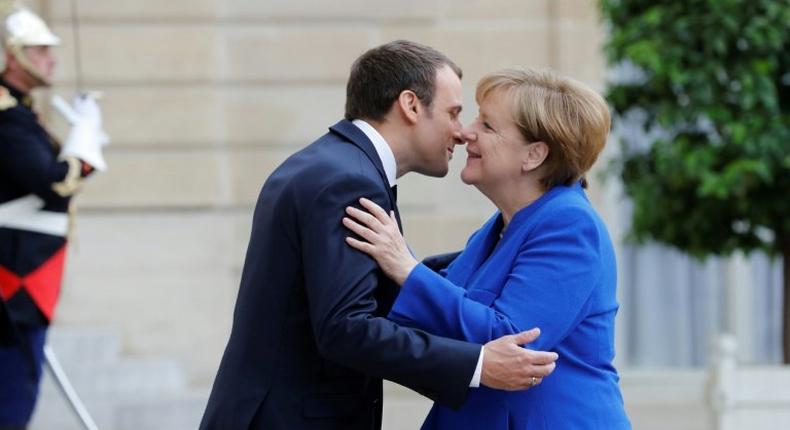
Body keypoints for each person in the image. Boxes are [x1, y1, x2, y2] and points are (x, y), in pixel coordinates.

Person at [200, 41, 559, 430]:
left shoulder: (334, 164)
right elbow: (347, 327)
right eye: (453, 113)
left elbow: (364, 293)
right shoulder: (348, 180)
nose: (461, 133)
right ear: (410, 105)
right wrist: (478, 365)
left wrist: (492, 256)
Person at [343, 68, 632, 429]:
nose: (466, 133)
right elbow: (434, 322)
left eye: (488, 125)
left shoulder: (570, 225)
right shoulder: (499, 229)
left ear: (534, 155)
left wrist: (405, 267)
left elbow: (511, 342)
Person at [0, 6, 107, 429]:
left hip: (27, 270)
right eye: (40, 51)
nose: (51, 60)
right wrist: (83, 144)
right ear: (15, 55)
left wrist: (84, 146)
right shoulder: (8, 118)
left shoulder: (20, 113)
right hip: (17, 273)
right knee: (13, 392)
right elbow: (53, 180)